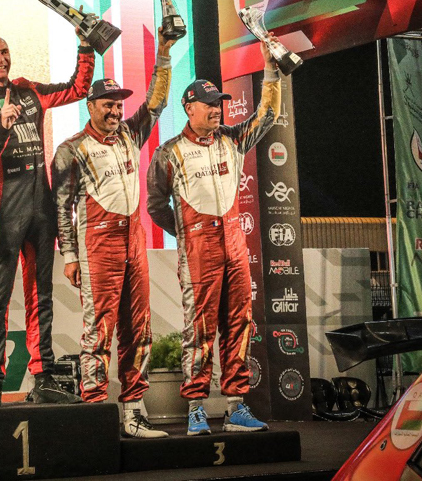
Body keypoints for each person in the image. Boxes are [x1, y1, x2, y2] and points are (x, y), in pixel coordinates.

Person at [146, 39, 281, 436]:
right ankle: (195, 409)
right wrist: (186, 235)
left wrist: (271, 70)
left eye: (219, 103)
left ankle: (237, 406)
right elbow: (155, 205)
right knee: (199, 330)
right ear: (189, 108)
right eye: (209, 104)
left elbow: (268, 115)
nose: (217, 108)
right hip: (199, 251)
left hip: (235, 248)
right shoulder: (169, 152)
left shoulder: (232, 139)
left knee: (239, 324)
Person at [51, 28, 176, 437]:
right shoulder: (72, 149)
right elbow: (61, 207)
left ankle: (134, 413)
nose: (115, 111)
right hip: (97, 242)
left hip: (133, 239)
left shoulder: (129, 134)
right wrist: (69, 256)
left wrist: (165, 52)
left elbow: (156, 103)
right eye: (108, 104)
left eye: (119, 104)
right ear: (91, 106)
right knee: (98, 327)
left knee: (139, 327)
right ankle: (93, 413)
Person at [0, 30, 94, 407]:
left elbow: (78, 88)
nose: (0, 59)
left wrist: (85, 45)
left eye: (4, 51)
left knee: (41, 296)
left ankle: (43, 376)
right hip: (2, 214)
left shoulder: (28, 90)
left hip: (41, 208)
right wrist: (1, 128)